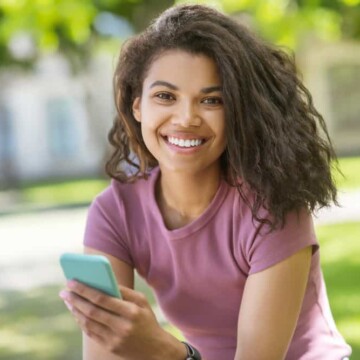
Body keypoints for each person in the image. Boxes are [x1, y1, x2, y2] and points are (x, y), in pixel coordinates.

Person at [59, 4, 352, 360]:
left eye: (211, 100)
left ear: (237, 113)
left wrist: (168, 353)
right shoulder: (116, 211)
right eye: (165, 96)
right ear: (138, 107)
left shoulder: (272, 206)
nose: (186, 118)